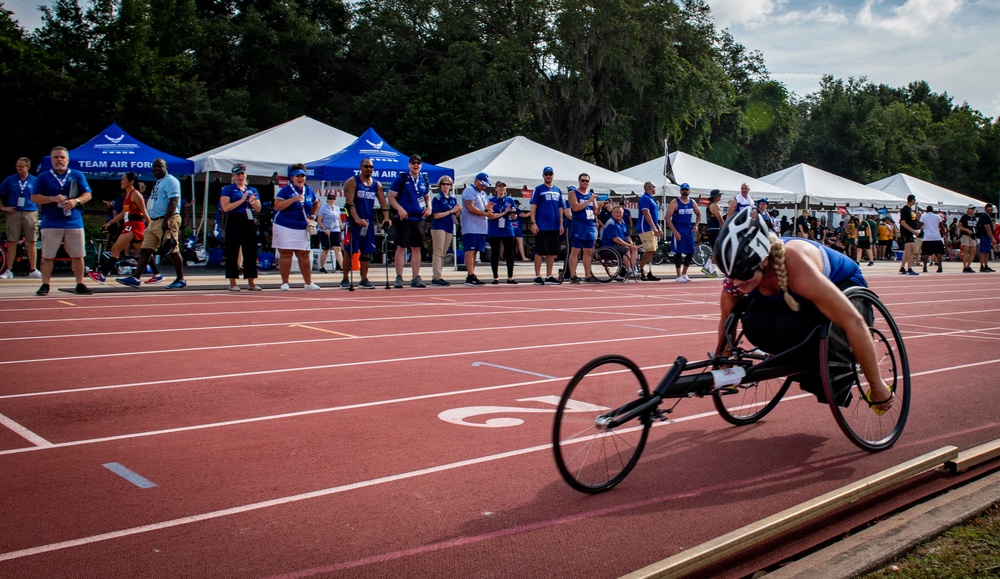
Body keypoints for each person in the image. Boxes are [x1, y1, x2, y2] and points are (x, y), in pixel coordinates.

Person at [714, 208, 893, 413]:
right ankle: (796, 358)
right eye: (730, 275)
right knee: (754, 323)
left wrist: (877, 385)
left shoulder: (797, 267)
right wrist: (724, 363)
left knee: (792, 327)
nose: (736, 282)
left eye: (743, 275)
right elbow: (727, 320)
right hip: (788, 294)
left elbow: (854, 322)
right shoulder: (736, 280)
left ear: (764, 261)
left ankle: (821, 367)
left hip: (839, 283)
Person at [29, 146, 93, 295]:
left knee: (78, 254)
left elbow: (88, 194)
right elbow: (33, 197)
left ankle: (80, 283)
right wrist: (52, 198)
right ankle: (45, 284)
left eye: (62, 157)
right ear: (51, 160)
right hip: (51, 221)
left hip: (74, 220)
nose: (59, 160)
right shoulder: (43, 177)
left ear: (67, 159)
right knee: (47, 255)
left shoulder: (77, 174)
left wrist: (76, 201)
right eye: (56, 157)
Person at [115, 158, 186, 289]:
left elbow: (174, 201)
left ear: (166, 167)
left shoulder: (171, 181)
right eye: (154, 167)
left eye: (159, 167)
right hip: (154, 221)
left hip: (166, 220)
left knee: (172, 249)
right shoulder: (159, 182)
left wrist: (166, 220)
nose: (156, 169)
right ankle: (136, 278)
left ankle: (180, 279)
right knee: (145, 250)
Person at [88, 173, 148, 284]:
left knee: (116, 248)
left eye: (123, 180)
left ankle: (102, 275)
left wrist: (150, 226)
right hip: (130, 224)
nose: (121, 182)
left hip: (135, 225)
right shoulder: (128, 195)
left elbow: (144, 212)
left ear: (131, 182)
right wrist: (109, 223)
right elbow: (123, 212)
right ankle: (157, 273)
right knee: (144, 251)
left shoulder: (136, 194)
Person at [341, 158, 391, 289]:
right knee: (349, 251)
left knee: (366, 251)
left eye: (371, 167)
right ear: (361, 167)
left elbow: (383, 203)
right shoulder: (352, 182)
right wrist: (356, 218)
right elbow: (349, 204)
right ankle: (345, 278)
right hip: (353, 222)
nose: (369, 169)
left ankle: (364, 279)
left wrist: (386, 217)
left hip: (368, 222)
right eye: (366, 166)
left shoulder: (376, 184)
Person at [271, 164, 320, 290]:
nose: (300, 179)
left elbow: (316, 203)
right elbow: (277, 205)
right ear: (292, 178)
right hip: (285, 225)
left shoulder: (308, 190)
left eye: (302, 176)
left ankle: (308, 283)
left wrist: (313, 216)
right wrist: (293, 200)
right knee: (286, 253)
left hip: (302, 226)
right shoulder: (285, 190)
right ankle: (285, 282)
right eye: (298, 176)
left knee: (304, 254)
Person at [388, 154, 432, 288]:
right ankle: (399, 277)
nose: (416, 165)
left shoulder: (424, 179)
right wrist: (400, 209)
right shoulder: (401, 179)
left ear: (421, 165)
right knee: (401, 247)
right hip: (404, 218)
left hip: (419, 218)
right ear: (409, 164)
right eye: (413, 163)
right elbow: (391, 197)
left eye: (418, 163)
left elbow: (427, 196)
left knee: (417, 248)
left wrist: (429, 207)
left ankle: (415, 277)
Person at [219, 163, 262, 291]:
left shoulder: (252, 190)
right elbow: (226, 207)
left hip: (248, 220)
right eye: (238, 174)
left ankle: (251, 280)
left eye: (242, 174)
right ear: (234, 175)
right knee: (232, 250)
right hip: (234, 219)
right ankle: (232, 281)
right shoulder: (228, 189)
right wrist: (242, 200)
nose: (241, 176)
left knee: (250, 250)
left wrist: (251, 202)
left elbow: (259, 208)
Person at [0, 157, 41, 279]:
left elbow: (40, 197)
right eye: (17, 166)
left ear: (27, 167)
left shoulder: (35, 180)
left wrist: (41, 214)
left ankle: (33, 269)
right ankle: (9, 269)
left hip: (31, 212)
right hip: (14, 212)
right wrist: (3, 207)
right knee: (12, 241)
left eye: (21, 166)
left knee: (32, 241)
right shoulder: (10, 180)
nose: (18, 168)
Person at [529, 166, 565, 285]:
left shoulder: (558, 190)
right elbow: (533, 208)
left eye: (550, 174)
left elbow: (560, 208)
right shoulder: (538, 189)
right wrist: (533, 223)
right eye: (546, 174)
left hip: (554, 226)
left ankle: (549, 275)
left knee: (552, 252)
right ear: (543, 176)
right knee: (540, 252)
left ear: (553, 175)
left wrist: (561, 223)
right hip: (542, 225)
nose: (548, 176)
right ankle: (537, 276)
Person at [460, 172, 495, 286]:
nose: (483, 187)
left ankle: (472, 274)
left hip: (481, 226)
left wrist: (488, 210)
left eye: (485, 185)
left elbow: (485, 209)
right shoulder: (469, 191)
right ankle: (470, 275)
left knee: (475, 251)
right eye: (482, 184)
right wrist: (485, 214)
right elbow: (470, 207)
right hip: (471, 226)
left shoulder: (483, 193)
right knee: (470, 250)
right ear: (476, 181)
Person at [565, 173, 601, 284]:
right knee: (575, 250)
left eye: (587, 181)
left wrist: (599, 207)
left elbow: (595, 212)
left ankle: (588, 276)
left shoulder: (591, 195)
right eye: (583, 180)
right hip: (578, 224)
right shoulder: (573, 193)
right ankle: (572, 275)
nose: (585, 182)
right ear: (579, 181)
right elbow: (575, 208)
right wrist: (590, 200)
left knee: (588, 251)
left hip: (589, 225)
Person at [664, 183, 700, 283]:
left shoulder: (692, 202)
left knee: (690, 252)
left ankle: (684, 273)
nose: (685, 191)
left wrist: (696, 225)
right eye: (683, 190)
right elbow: (667, 218)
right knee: (679, 252)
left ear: (689, 191)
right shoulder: (675, 202)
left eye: (686, 190)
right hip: (678, 230)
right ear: (680, 191)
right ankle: (678, 275)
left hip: (688, 230)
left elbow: (699, 214)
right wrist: (674, 231)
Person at [429, 175, 460, 286]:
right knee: (438, 251)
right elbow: (436, 215)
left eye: (448, 184)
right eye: (444, 184)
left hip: (449, 226)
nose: (446, 186)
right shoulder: (437, 198)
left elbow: (455, 214)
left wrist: (457, 211)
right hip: (439, 226)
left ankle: (438, 275)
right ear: (440, 185)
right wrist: (452, 211)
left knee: (443, 253)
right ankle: (436, 276)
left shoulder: (453, 198)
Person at [487, 180, 519, 284]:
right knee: (495, 254)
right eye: (499, 187)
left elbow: (514, 215)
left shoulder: (509, 200)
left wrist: (513, 215)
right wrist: (504, 212)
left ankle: (510, 277)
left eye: (503, 187)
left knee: (509, 253)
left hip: (507, 229)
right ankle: (495, 277)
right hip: (494, 230)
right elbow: (490, 216)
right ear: (495, 189)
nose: (501, 189)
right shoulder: (491, 200)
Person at [601, 205, 639, 279]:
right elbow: (616, 239)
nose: (619, 214)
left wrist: (631, 243)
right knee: (626, 249)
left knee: (634, 248)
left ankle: (632, 269)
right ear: (612, 213)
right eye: (616, 212)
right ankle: (629, 271)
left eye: (620, 212)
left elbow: (627, 235)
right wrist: (628, 246)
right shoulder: (611, 223)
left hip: (620, 244)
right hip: (610, 245)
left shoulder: (623, 223)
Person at [636, 181, 663, 281]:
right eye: (654, 186)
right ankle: (640, 269)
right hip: (645, 227)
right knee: (650, 249)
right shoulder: (644, 198)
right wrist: (654, 227)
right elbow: (646, 214)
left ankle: (648, 272)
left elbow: (654, 215)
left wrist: (658, 227)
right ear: (649, 187)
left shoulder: (651, 199)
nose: (655, 188)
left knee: (652, 250)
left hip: (651, 227)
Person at [317, 194, 343, 275]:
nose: (332, 200)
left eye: (333, 198)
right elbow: (319, 221)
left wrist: (341, 227)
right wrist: (324, 229)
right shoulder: (323, 208)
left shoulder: (337, 208)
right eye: (330, 198)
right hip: (325, 230)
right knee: (326, 249)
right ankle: (322, 267)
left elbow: (338, 218)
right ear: (327, 199)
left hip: (336, 229)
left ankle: (342, 267)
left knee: (337, 248)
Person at [701, 189, 723, 277]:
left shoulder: (709, 205)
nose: (720, 196)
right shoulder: (716, 205)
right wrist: (725, 228)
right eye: (719, 195)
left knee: (715, 250)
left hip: (710, 229)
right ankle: (712, 271)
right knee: (717, 251)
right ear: (716, 197)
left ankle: (707, 267)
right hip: (715, 229)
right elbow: (720, 219)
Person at [898, 194, 920, 275]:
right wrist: (912, 231)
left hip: (910, 232)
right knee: (910, 250)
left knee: (907, 251)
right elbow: (903, 222)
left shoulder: (910, 210)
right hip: (907, 232)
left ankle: (902, 267)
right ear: (912, 200)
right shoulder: (905, 210)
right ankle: (909, 268)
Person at [918, 205, 945, 273]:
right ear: (932, 210)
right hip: (936, 236)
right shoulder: (937, 216)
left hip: (927, 237)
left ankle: (925, 267)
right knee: (938, 252)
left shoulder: (923, 216)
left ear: (926, 210)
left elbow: (919, 225)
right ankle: (940, 266)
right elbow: (941, 226)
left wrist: (918, 228)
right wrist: (944, 234)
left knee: (926, 253)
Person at [958, 204, 979, 272]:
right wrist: (966, 230)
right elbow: (959, 226)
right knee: (966, 250)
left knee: (973, 251)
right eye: (971, 209)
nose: (972, 210)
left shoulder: (974, 217)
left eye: (973, 209)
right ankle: (964, 266)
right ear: (968, 209)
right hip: (965, 235)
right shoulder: (964, 216)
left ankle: (968, 265)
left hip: (972, 235)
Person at [977, 203, 996, 272]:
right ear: (986, 209)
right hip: (984, 236)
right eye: (990, 209)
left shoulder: (988, 216)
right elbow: (987, 228)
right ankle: (982, 266)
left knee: (987, 252)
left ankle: (986, 265)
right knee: (983, 251)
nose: (991, 210)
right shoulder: (984, 216)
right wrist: (992, 238)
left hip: (987, 236)